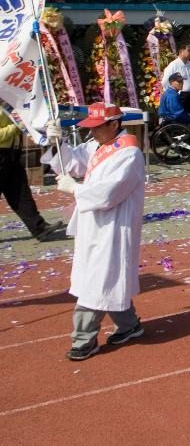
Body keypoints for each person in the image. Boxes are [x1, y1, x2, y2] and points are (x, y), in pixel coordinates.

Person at [43, 103, 147, 361]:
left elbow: (108, 194)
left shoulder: (129, 154)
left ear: (114, 124)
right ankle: (129, 324)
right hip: (93, 225)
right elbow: (73, 163)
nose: (93, 133)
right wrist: (57, 142)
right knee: (108, 279)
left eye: (97, 128)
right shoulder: (97, 146)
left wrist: (74, 189)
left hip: (112, 227)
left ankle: (84, 338)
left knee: (96, 283)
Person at [0, 110, 64, 241]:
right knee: (18, 192)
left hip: (12, 152)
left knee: (20, 194)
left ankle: (39, 228)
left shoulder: (7, 100)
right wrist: (16, 126)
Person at [162, 43, 190, 113]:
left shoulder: (189, 64)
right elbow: (165, 81)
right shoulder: (173, 65)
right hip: (180, 96)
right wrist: (173, 93)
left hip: (189, 96)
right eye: (189, 50)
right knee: (179, 117)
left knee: (187, 117)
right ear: (181, 51)